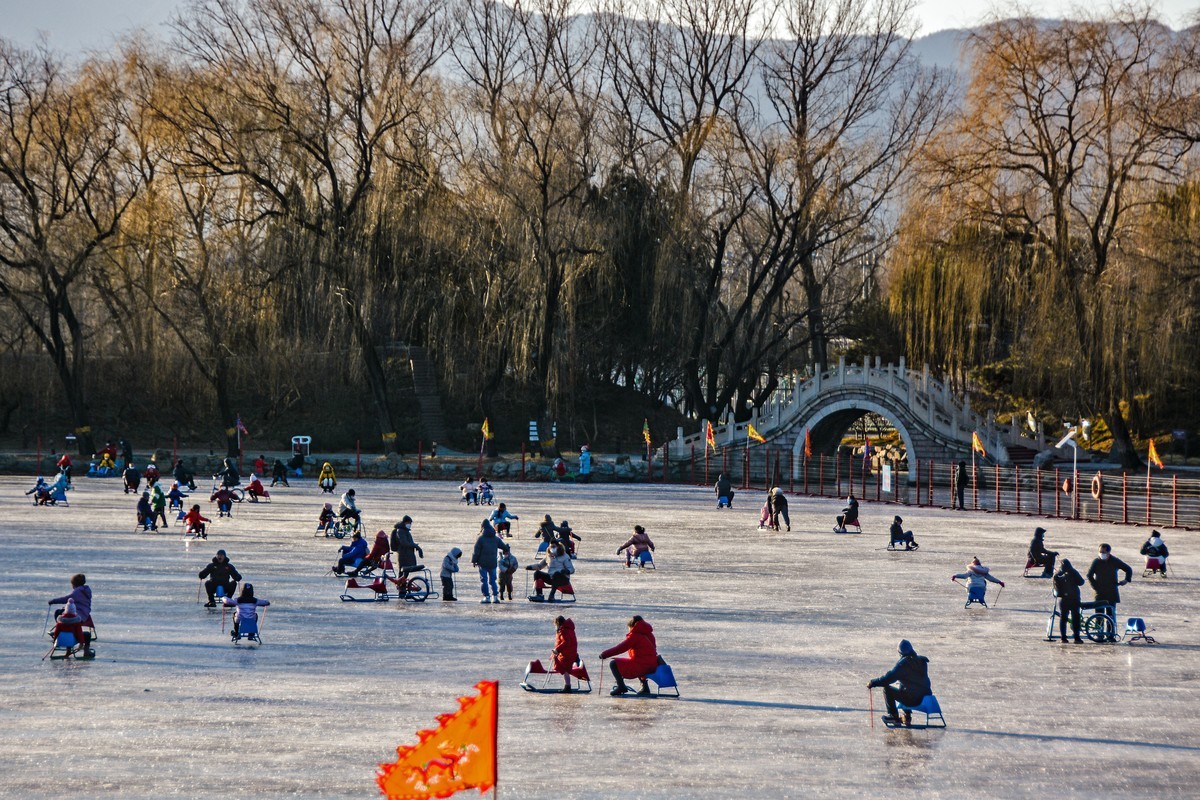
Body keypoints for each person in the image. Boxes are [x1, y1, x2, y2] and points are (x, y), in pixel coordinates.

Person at [867, 639, 932, 727]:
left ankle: (893, 716)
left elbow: (888, 679)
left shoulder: (904, 664)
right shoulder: (921, 661)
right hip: (926, 697)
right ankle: (907, 717)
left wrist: (873, 682)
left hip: (913, 700)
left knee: (888, 689)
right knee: (903, 687)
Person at [599, 615, 658, 696]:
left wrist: (605, 654)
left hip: (643, 665)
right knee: (638, 661)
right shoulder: (649, 634)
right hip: (653, 664)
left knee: (614, 664)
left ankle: (621, 687)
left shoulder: (635, 636)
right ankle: (645, 687)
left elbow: (620, 648)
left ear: (632, 626)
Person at [1087, 544, 1132, 641]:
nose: (1101, 554)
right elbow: (1089, 575)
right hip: (1099, 593)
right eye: (1100, 552)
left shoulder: (1115, 561)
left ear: (1108, 552)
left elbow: (1128, 569)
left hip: (1111, 592)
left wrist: (1126, 580)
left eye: (1103, 552)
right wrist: (1095, 587)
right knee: (1099, 615)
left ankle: (1110, 635)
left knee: (1110, 615)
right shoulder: (1096, 561)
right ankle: (1100, 635)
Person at [49, 574, 94, 657]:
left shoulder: (77, 592)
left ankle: (64, 631)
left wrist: (53, 601)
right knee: (87, 634)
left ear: (74, 584)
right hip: (84, 615)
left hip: (78, 616)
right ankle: (86, 651)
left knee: (58, 612)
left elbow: (66, 599)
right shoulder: (86, 591)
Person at [472, 519, 512, 604]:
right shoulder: (496, 538)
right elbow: (504, 547)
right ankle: (495, 597)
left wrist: (474, 561)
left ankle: (486, 597)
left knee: (484, 580)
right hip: (493, 563)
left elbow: (476, 551)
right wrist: (507, 548)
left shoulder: (481, 539)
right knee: (493, 580)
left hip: (482, 563)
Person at [1053, 559, 1085, 643]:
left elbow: (1056, 586)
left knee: (1063, 618)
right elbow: (1081, 582)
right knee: (1075, 618)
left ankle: (1063, 638)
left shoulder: (1057, 574)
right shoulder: (1073, 572)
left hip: (1063, 599)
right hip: (1074, 599)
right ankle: (1077, 638)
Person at [551, 616, 579, 692]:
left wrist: (557, 649)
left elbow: (566, 642)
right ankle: (567, 685)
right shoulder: (568, 629)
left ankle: (568, 686)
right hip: (570, 652)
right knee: (564, 668)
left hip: (567, 653)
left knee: (565, 669)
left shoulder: (564, 631)